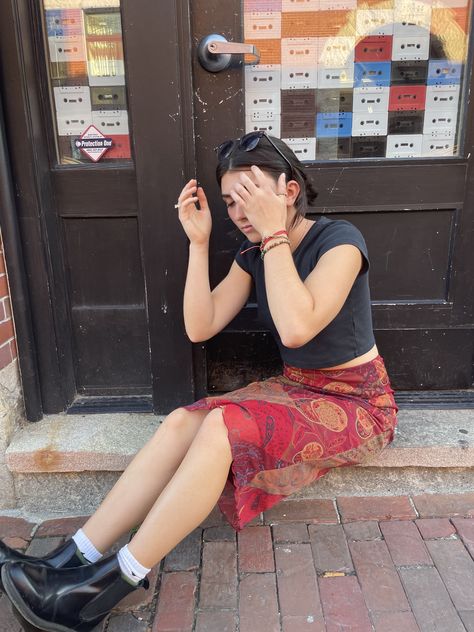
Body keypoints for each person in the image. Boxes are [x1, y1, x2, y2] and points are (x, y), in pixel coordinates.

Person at [0, 131, 398, 631]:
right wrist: (199, 242)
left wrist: (274, 236)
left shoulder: (339, 241)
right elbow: (200, 325)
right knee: (180, 423)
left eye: (252, 197)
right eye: (232, 202)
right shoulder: (254, 256)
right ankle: (70, 558)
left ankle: (101, 590)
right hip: (298, 388)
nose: (241, 212)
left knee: (221, 425)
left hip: (359, 402)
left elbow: (299, 327)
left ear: (289, 191)